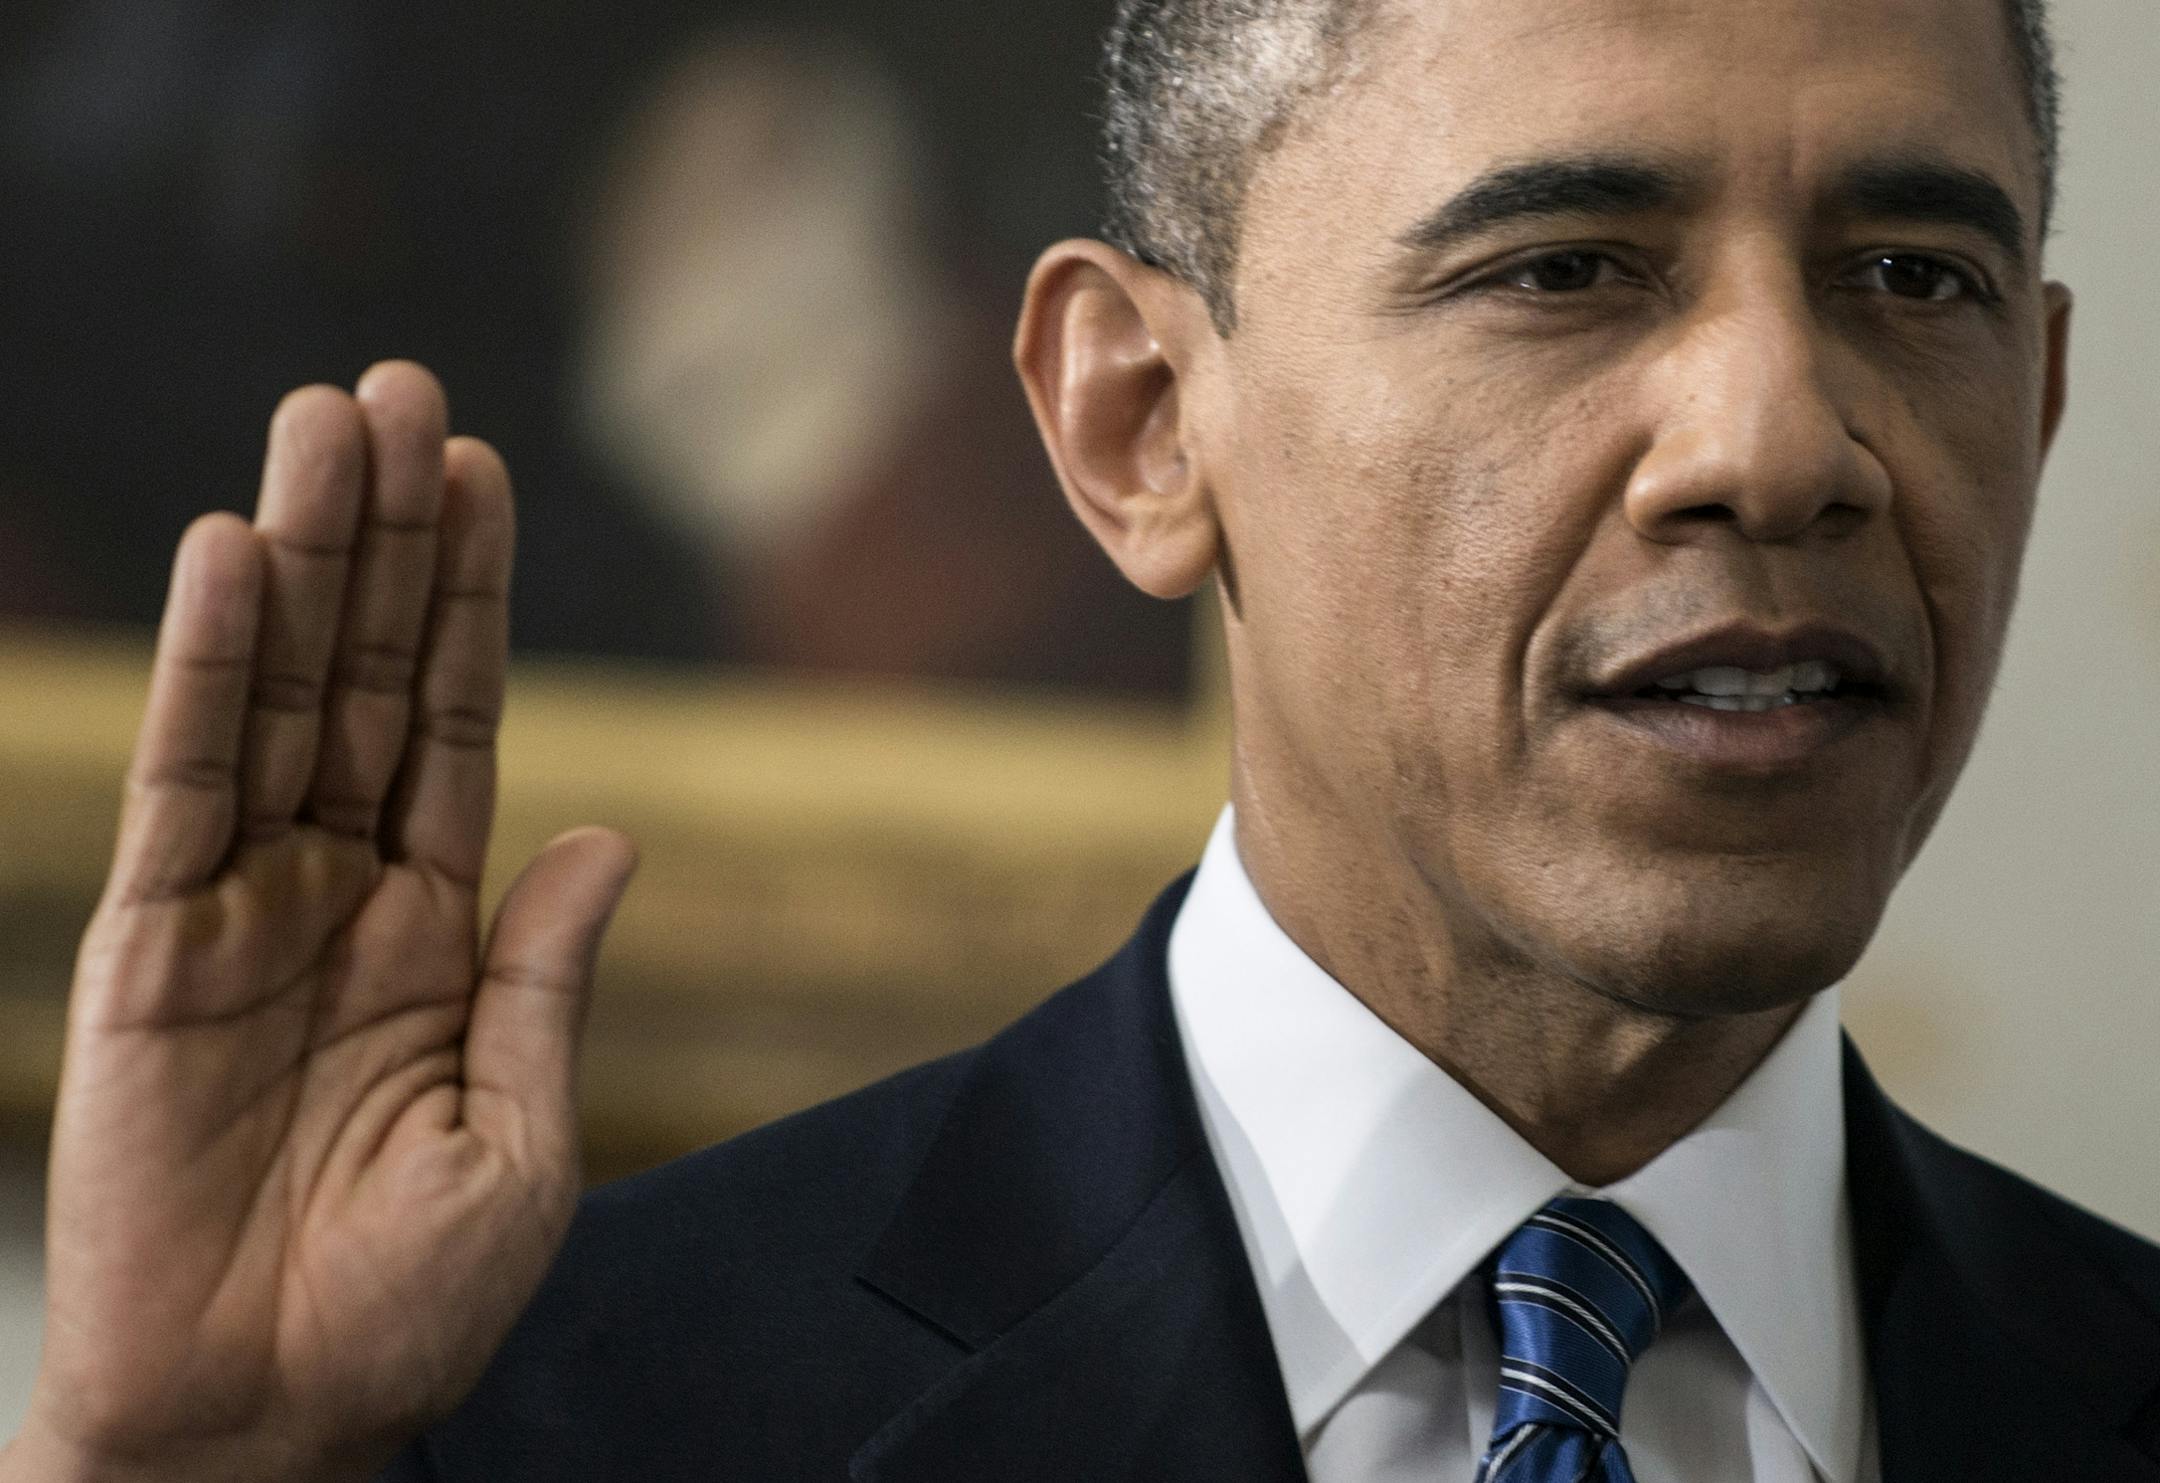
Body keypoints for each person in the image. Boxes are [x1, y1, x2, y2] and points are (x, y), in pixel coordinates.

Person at [4, 0, 2156, 1478]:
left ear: (2041, 406)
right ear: (1139, 422)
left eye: (1914, 280)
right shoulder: (535, 1413)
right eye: (1568, 270)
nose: (1783, 446)